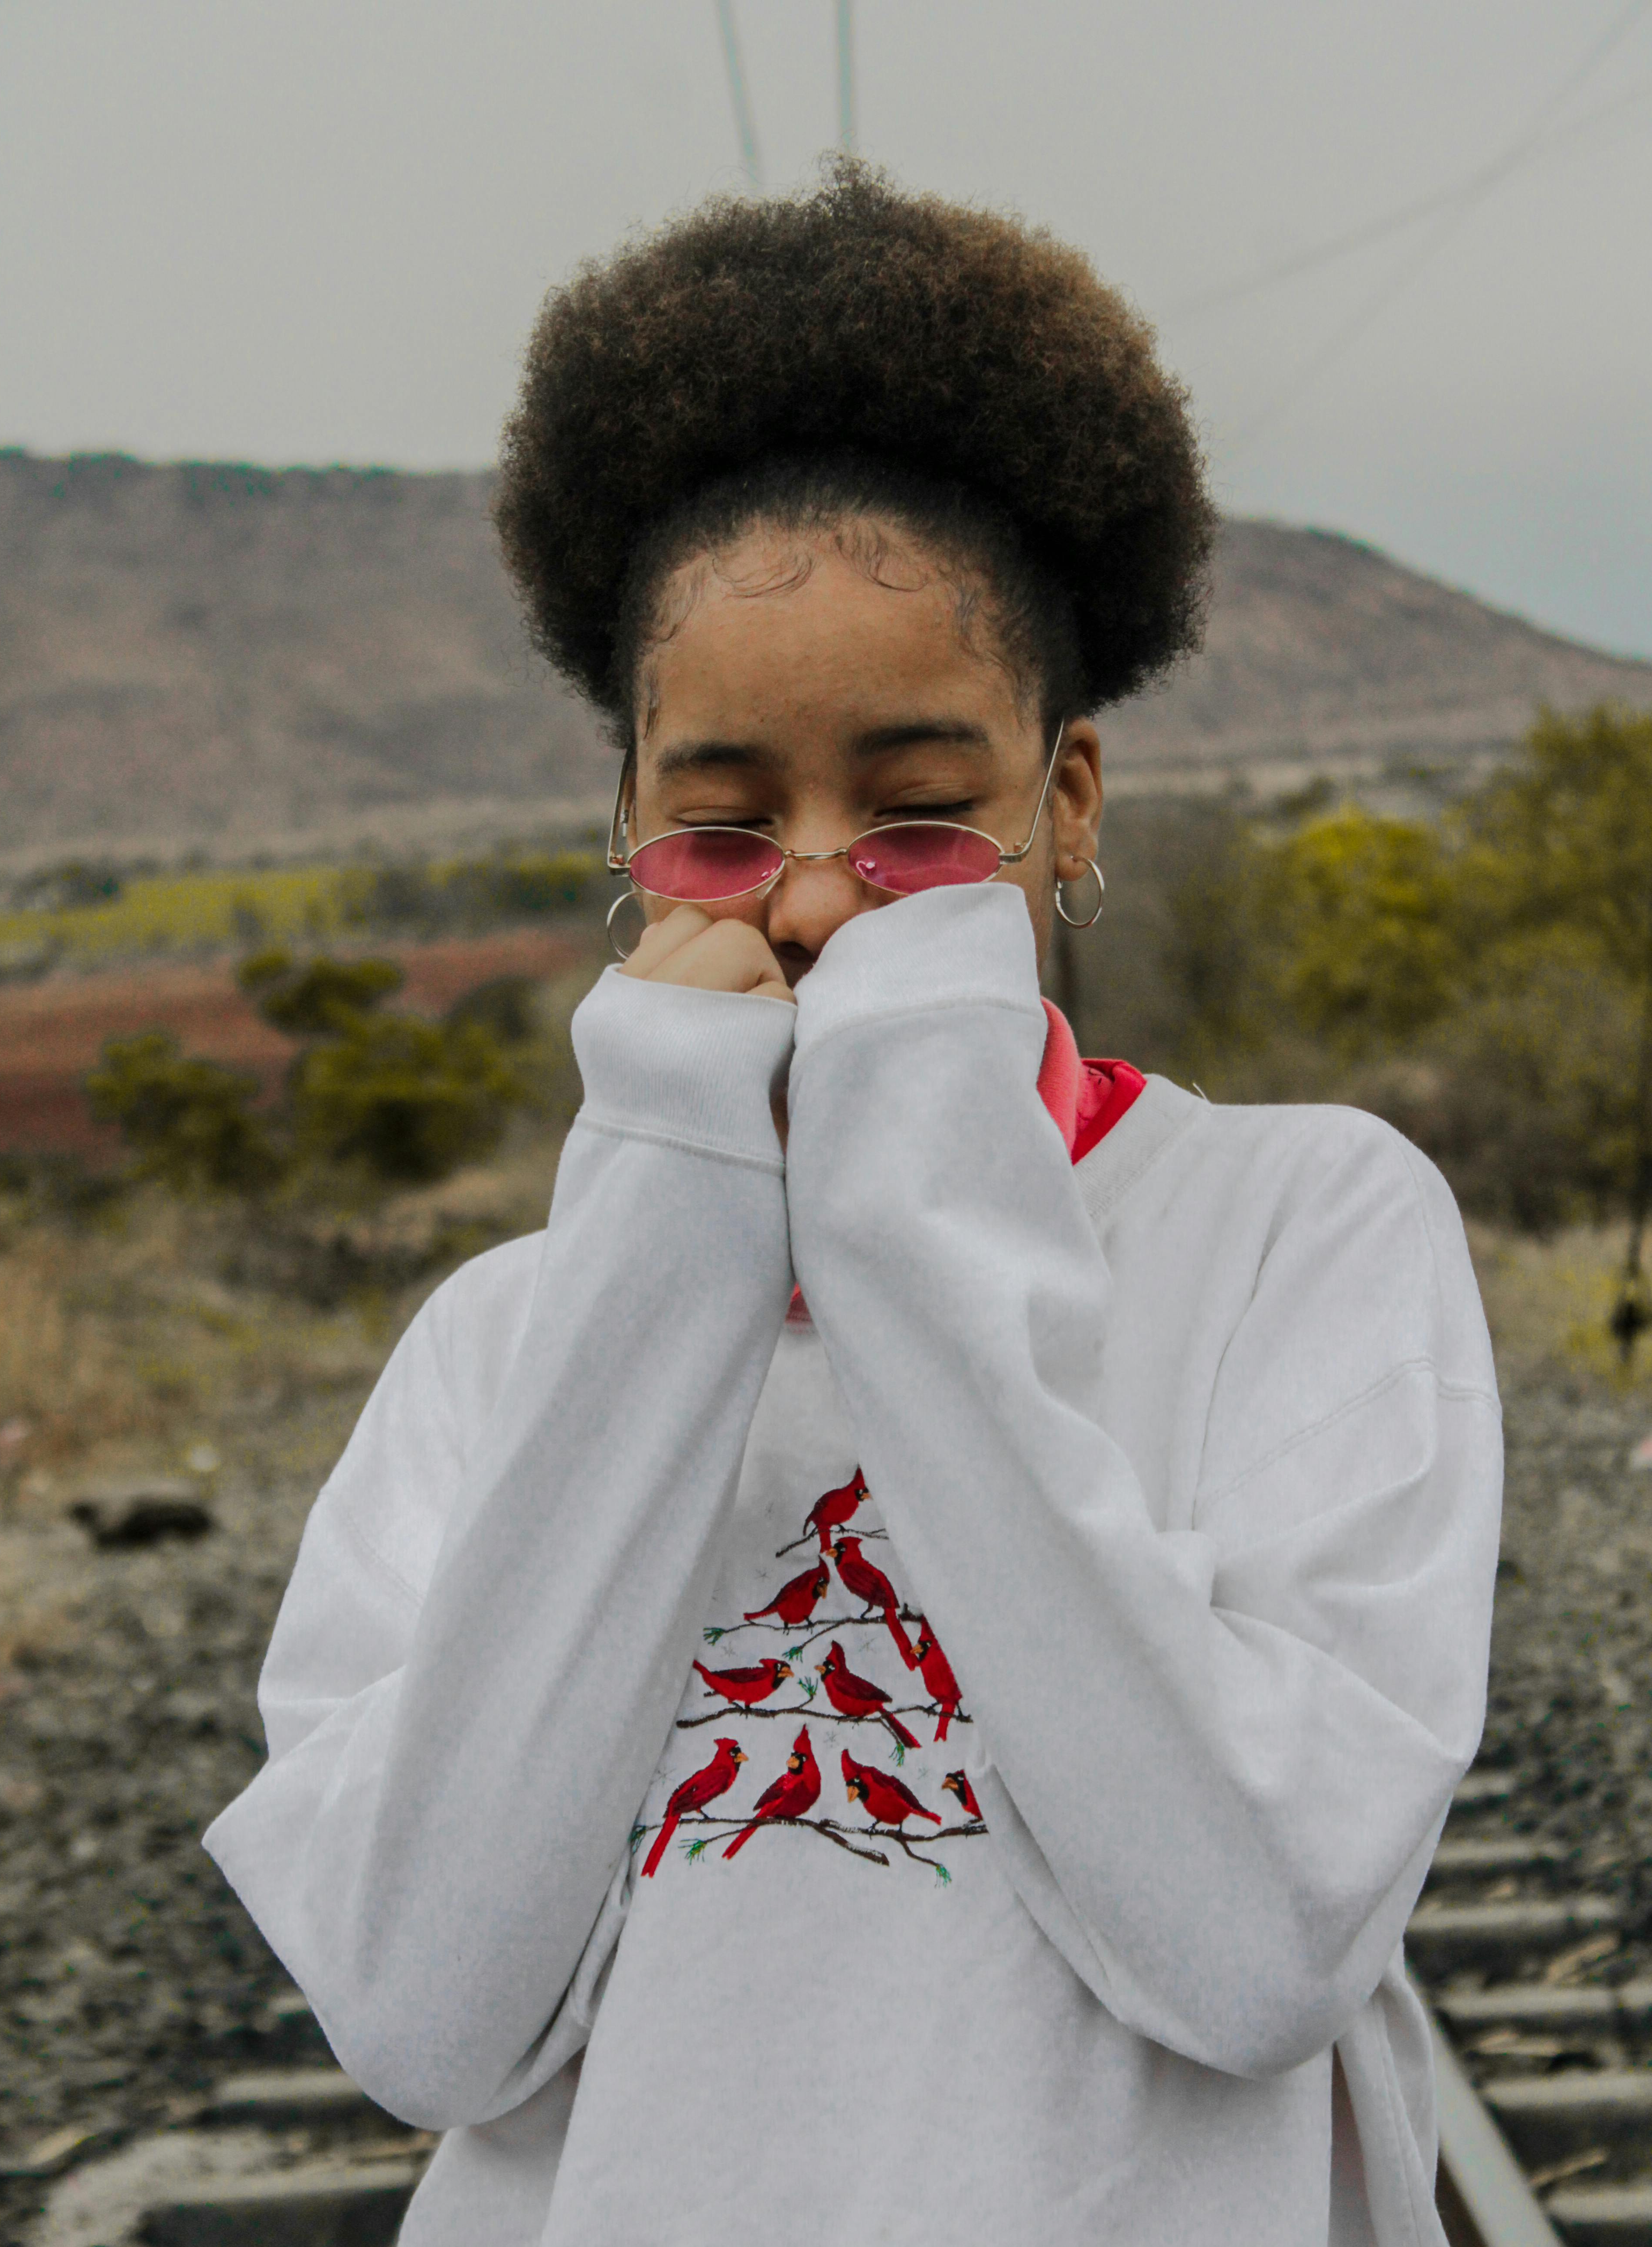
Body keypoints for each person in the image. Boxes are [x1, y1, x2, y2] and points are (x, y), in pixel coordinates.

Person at [205, 161, 1501, 2246]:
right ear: (630, 824)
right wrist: (665, 1244)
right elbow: (427, 2018)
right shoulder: (498, 1339)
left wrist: (904, 1215)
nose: (810, 892)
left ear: (1063, 804)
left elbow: (1256, 1952)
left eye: (918, 811)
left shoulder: (1302, 1228)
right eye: (721, 821)